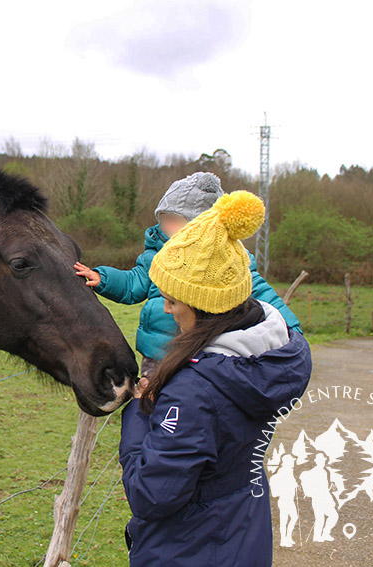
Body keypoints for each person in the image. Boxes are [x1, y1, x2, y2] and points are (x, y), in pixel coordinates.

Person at [119, 190, 312, 566]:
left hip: (186, 546)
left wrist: (140, 414)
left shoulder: (196, 391)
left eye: (173, 300)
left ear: (203, 305)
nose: (165, 308)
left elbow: (151, 496)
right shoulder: (264, 359)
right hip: (241, 531)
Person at [74, 172, 301, 381]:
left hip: (202, 356)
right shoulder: (157, 254)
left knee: (189, 406)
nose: (162, 226)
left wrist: (291, 332)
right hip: (157, 354)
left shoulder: (226, 264)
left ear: (199, 224)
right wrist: (102, 278)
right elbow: (135, 282)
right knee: (151, 405)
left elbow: (259, 294)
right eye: (162, 218)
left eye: (172, 219)